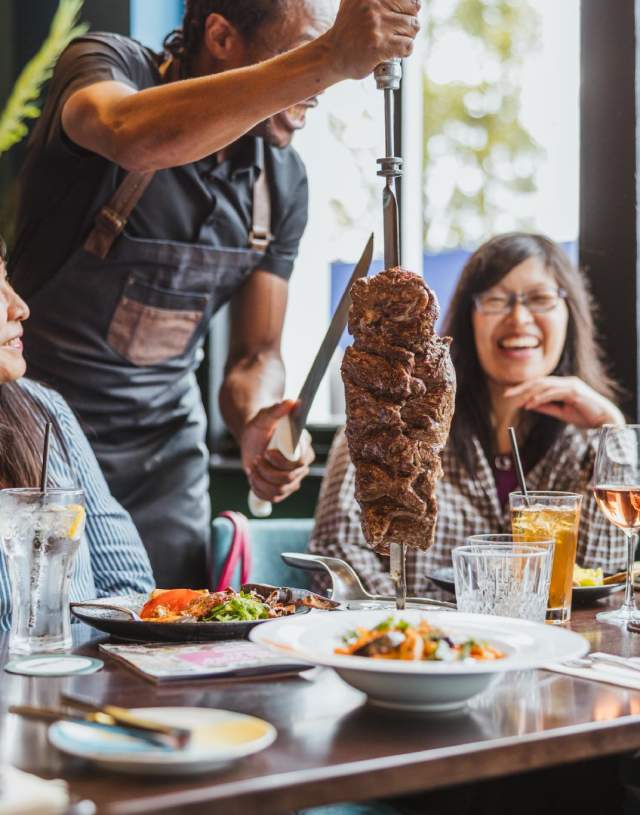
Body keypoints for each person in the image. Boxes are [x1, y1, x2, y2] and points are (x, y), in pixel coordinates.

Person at [9, 0, 421, 587]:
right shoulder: (106, 66)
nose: (315, 87)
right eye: (298, 52)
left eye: (318, 59)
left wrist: (258, 423)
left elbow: (255, 357)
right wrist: (331, 56)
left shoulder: (280, 183)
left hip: (164, 462)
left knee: (168, 641)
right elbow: (130, 133)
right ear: (222, 36)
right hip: (38, 440)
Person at [310, 232, 627, 594]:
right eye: (496, 299)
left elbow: (607, 571)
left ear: (570, 315)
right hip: (421, 642)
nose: (519, 318)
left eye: (540, 299)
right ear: (468, 317)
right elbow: (335, 554)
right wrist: (412, 630)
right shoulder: (388, 426)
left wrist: (611, 430)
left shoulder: (586, 444)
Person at [0, 236, 154, 631]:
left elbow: (130, 590)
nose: (19, 307)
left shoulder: (46, 411)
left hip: (78, 682)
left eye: (7, 280)